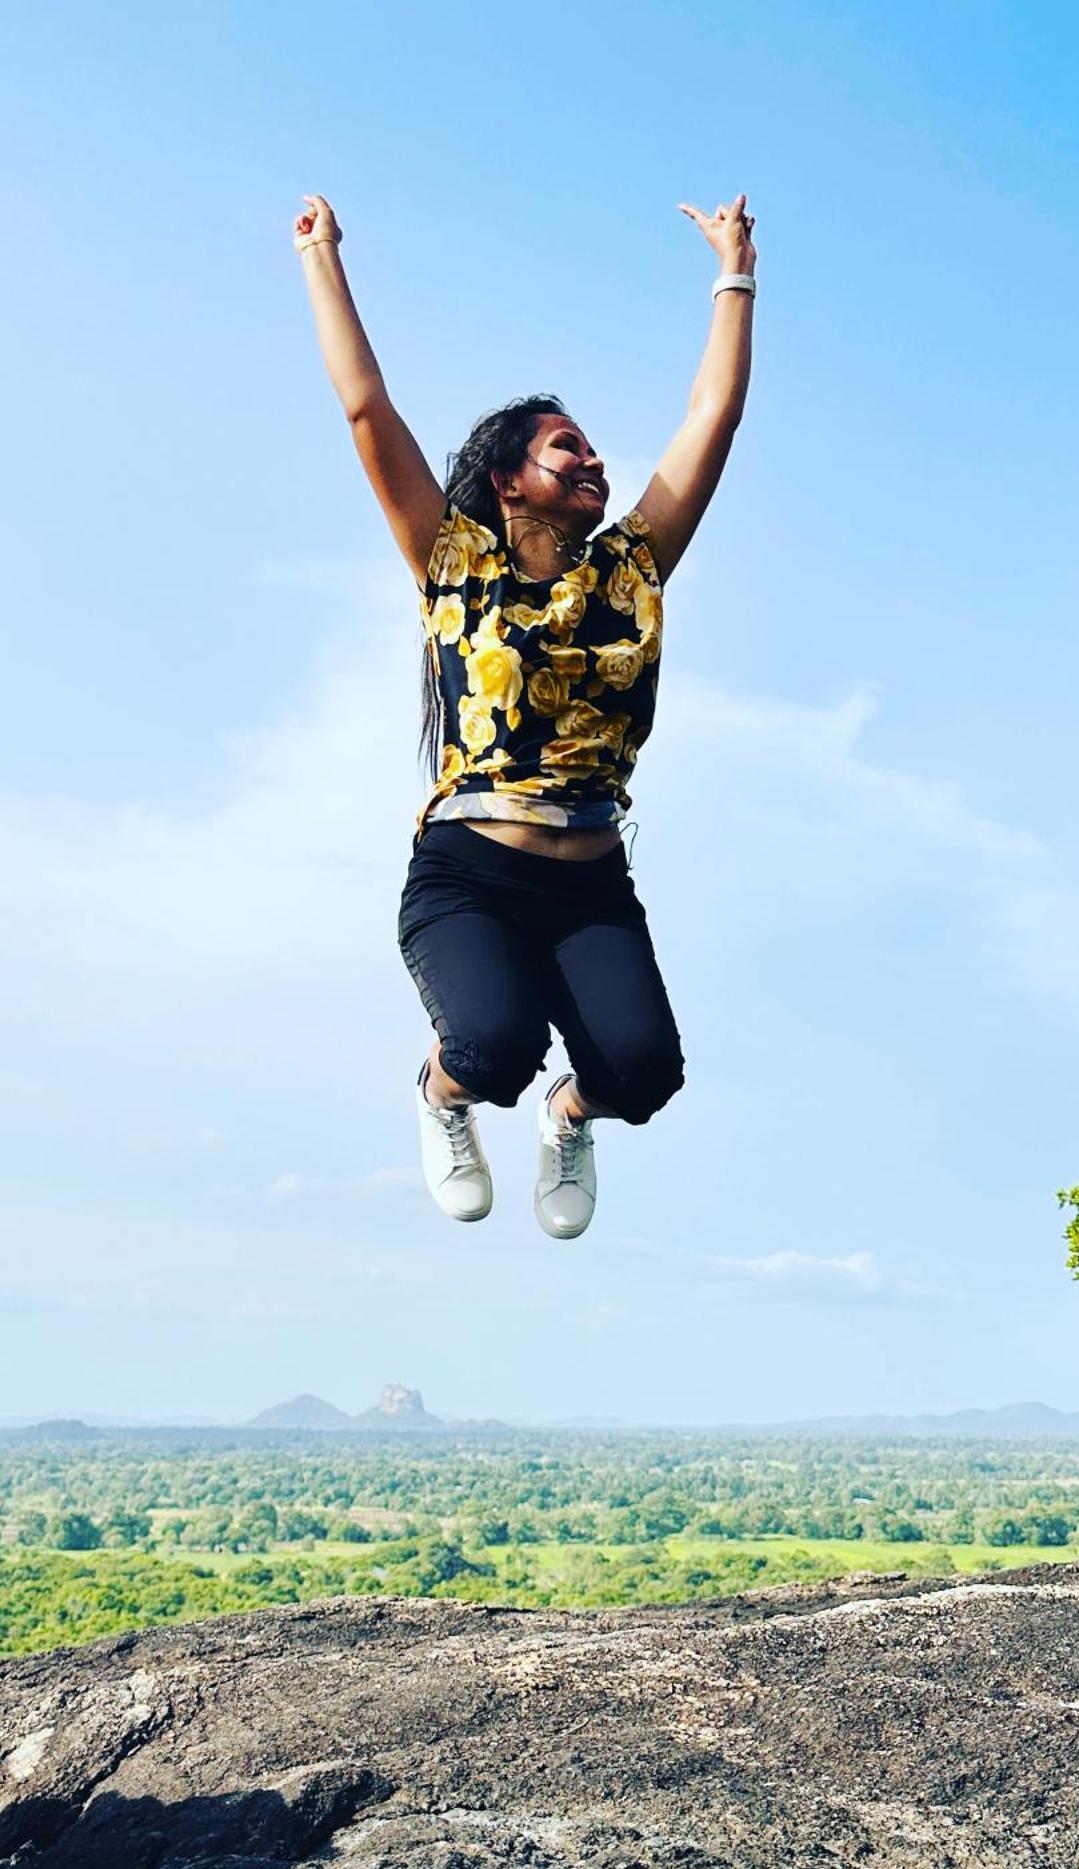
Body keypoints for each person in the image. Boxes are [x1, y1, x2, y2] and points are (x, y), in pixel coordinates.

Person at [295, 190, 755, 1238]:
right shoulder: (452, 559)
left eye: (591, 449)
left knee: (642, 1073)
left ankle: (568, 1113)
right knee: (491, 1046)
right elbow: (368, 409)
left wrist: (734, 274)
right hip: (470, 873)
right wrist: (324, 260)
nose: (592, 460)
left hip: (589, 880)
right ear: (509, 479)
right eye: (565, 448)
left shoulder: (632, 567)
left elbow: (710, 418)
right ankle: (441, 1093)